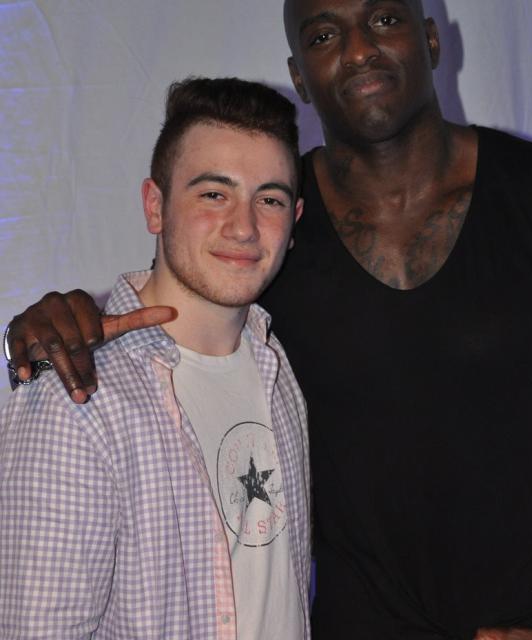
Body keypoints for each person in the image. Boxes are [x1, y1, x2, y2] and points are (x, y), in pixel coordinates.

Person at [5, 1, 532, 638]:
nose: (359, 49)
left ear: (431, 40)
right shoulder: (270, 231)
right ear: (300, 75)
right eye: (324, 34)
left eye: (384, 19)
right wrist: (53, 322)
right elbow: (172, 298)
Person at [0, 76, 311, 639]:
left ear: (294, 222)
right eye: (213, 194)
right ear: (155, 206)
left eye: (269, 199)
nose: (244, 227)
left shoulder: (277, 366)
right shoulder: (78, 395)